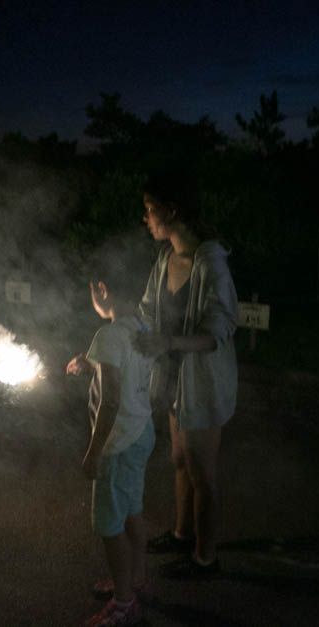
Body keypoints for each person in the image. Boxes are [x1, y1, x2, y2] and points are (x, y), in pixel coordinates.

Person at [135, 171, 237, 579]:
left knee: (201, 474)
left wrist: (169, 344)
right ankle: (182, 534)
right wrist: (112, 316)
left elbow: (217, 333)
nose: (145, 218)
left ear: (171, 211)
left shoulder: (210, 265)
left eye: (149, 210)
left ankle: (205, 557)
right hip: (176, 382)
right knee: (179, 460)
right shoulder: (165, 260)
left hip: (203, 384)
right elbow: (147, 313)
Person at [66, 268, 155, 627]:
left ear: (102, 289)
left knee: (109, 524)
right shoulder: (142, 327)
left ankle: (123, 602)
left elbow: (111, 399)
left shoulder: (107, 333)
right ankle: (135, 579)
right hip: (141, 432)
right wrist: (92, 363)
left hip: (117, 444)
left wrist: (94, 451)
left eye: (92, 292)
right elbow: (125, 370)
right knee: (132, 509)